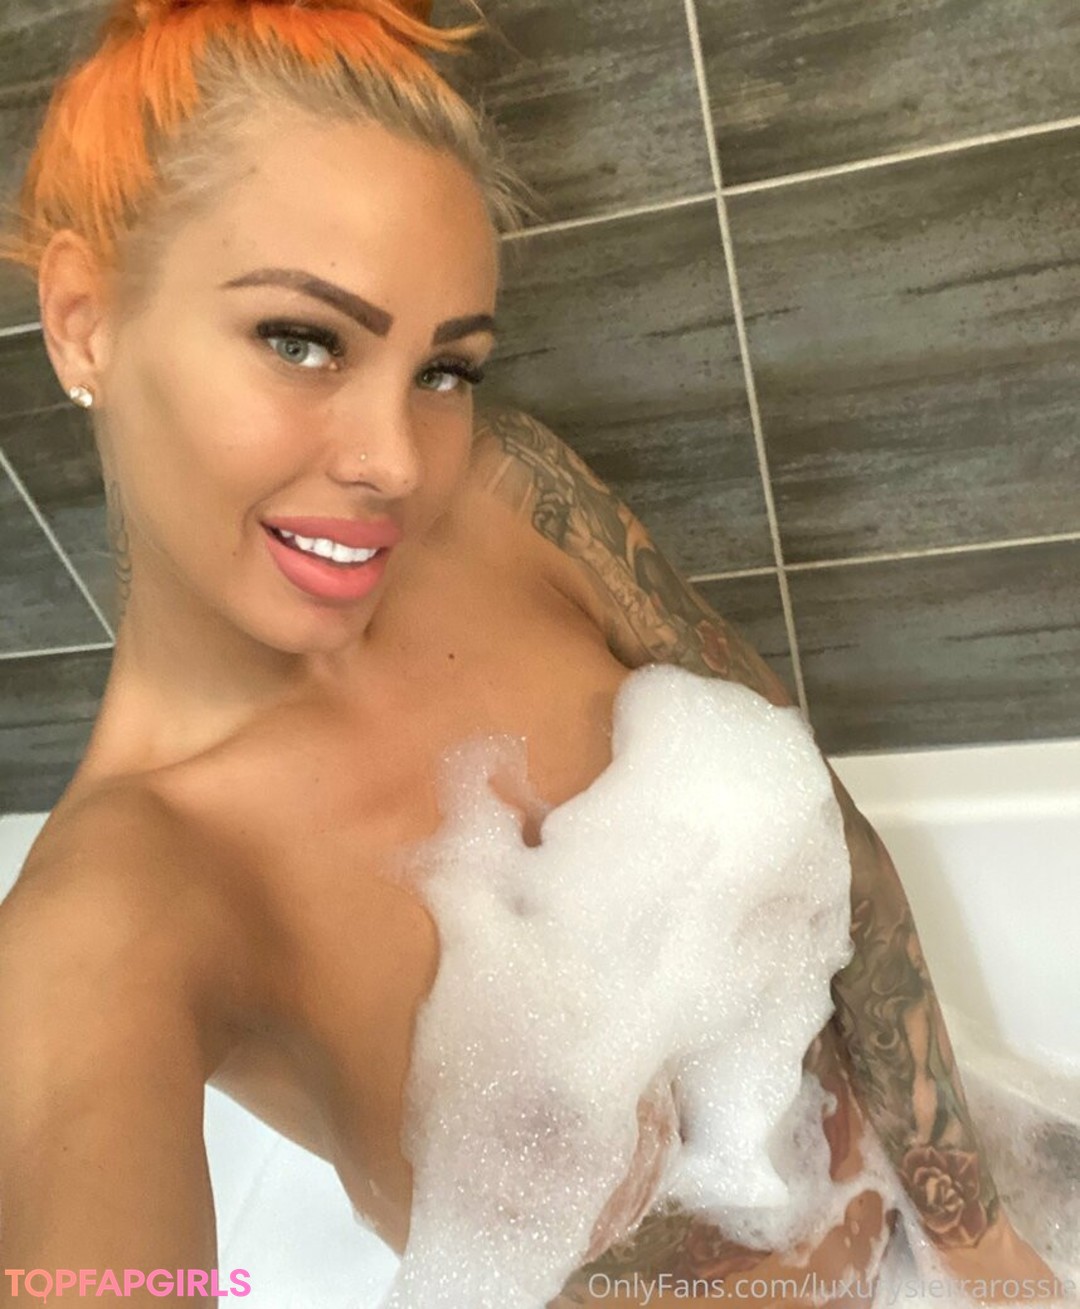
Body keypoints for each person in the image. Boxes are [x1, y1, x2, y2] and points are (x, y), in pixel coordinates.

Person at [0, 2, 1062, 1306]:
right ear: (84, 319)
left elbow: (835, 851)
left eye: (443, 368)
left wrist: (981, 1236)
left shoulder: (506, 498)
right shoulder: (114, 916)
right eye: (301, 339)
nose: (397, 461)